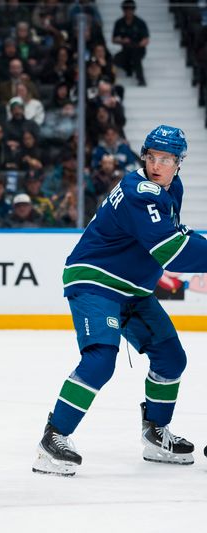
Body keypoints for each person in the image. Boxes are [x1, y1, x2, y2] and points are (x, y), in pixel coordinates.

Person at [33, 125, 205, 477]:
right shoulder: (140, 190)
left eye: (167, 159)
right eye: (152, 156)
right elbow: (170, 250)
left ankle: (155, 433)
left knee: (171, 358)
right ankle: (55, 436)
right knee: (101, 358)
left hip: (133, 289)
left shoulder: (173, 189)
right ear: (144, 156)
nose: (157, 165)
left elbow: (171, 237)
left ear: (179, 163)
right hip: (95, 280)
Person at [112, 0, 149, 86]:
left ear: (134, 10)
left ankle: (141, 79)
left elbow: (146, 39)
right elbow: (114, 39)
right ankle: (129, 68)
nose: (128, 11)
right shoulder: (119, 23)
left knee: (135, 55)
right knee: (115, 59)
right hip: (126, 49)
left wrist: (138, 44)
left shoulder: (140, 22)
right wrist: (122, 40)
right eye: (126, 9)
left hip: (138, 49)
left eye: (130, 9)